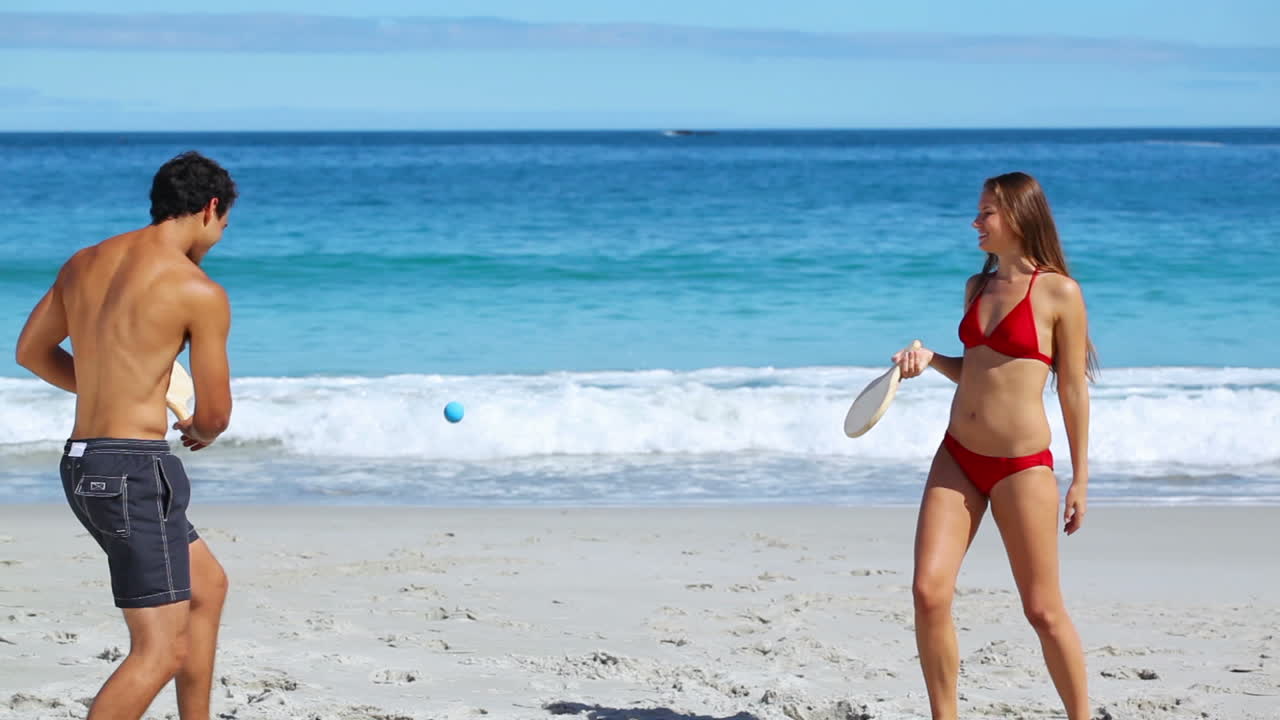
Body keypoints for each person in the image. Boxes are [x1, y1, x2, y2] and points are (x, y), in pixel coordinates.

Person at [15, 151, 237, 720]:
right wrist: (199, 429)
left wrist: (99, 390)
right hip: (134, 471)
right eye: (225, 223)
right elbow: (213, 415)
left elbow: (30, 352)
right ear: (211, 208)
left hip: (83, 465)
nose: (220, 236)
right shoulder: (197, 290)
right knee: (160, 650)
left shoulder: (85, 261)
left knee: (206, 586)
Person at [893, 172, 1097, 720]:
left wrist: (1079, 477)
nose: (976, 222)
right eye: (978, 212)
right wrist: (930, 359)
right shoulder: (976, 287)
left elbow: (1073, 387)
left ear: (1018, 217)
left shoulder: (1058, 292)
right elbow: (978, 371)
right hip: (957, 454)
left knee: (1042, 610)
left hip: (1021, 466)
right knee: (928, 593)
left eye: (986, 213)